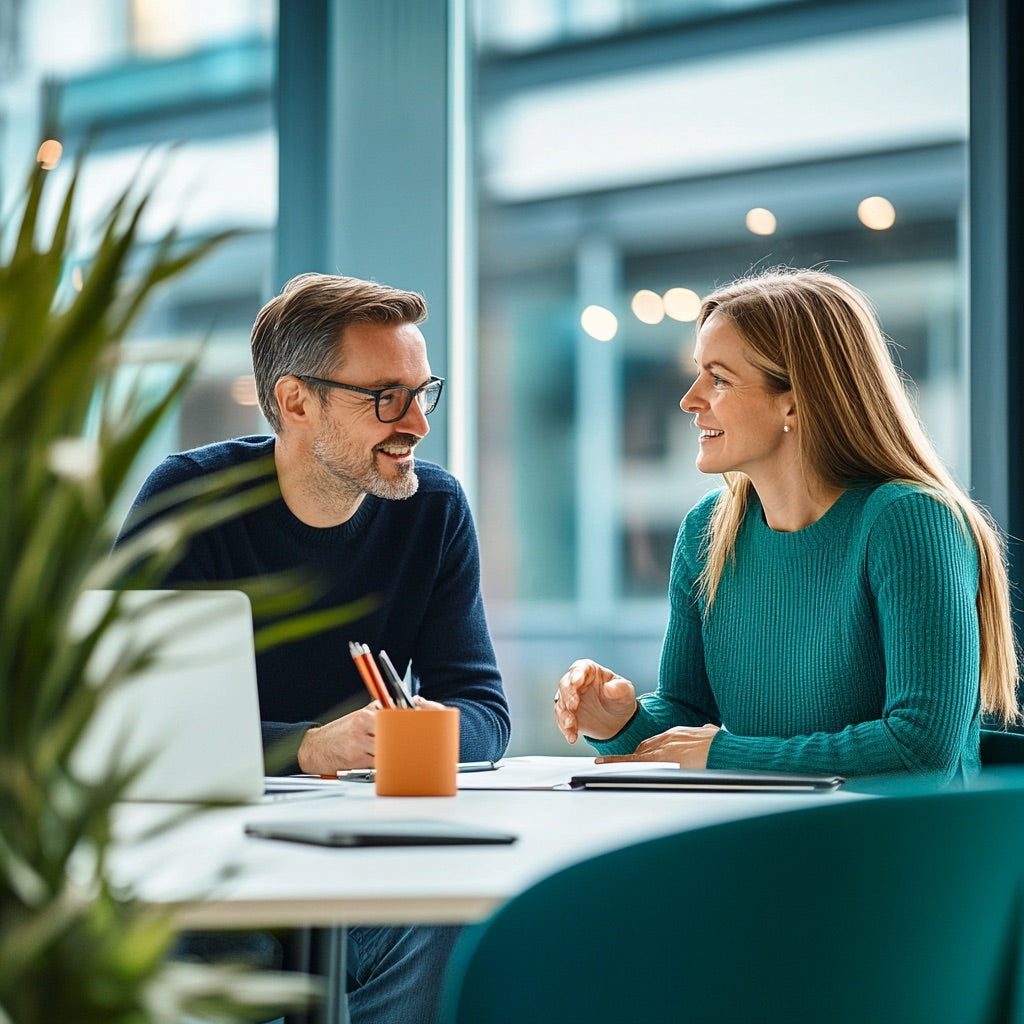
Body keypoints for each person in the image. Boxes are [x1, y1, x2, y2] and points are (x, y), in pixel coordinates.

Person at [116, 272, 510, 1024]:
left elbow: (484, 710)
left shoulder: (433, 509)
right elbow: (134, 734)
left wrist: (424, 728)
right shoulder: (191, 502)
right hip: (213, 868)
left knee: (462, 928)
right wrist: (309, 748)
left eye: (423, 393)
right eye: (385, 397)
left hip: (369, 861)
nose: (417, 426)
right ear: (297, 402)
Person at [554, 267, 1019, 781]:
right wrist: (620, 720)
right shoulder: (707, 531)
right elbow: (688, 717)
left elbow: (919, 745)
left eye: (718, 378)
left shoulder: (908, 522)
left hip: (898, 849)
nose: (689, 399)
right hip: (772, 839)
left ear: (794, 401)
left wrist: (726, 754)